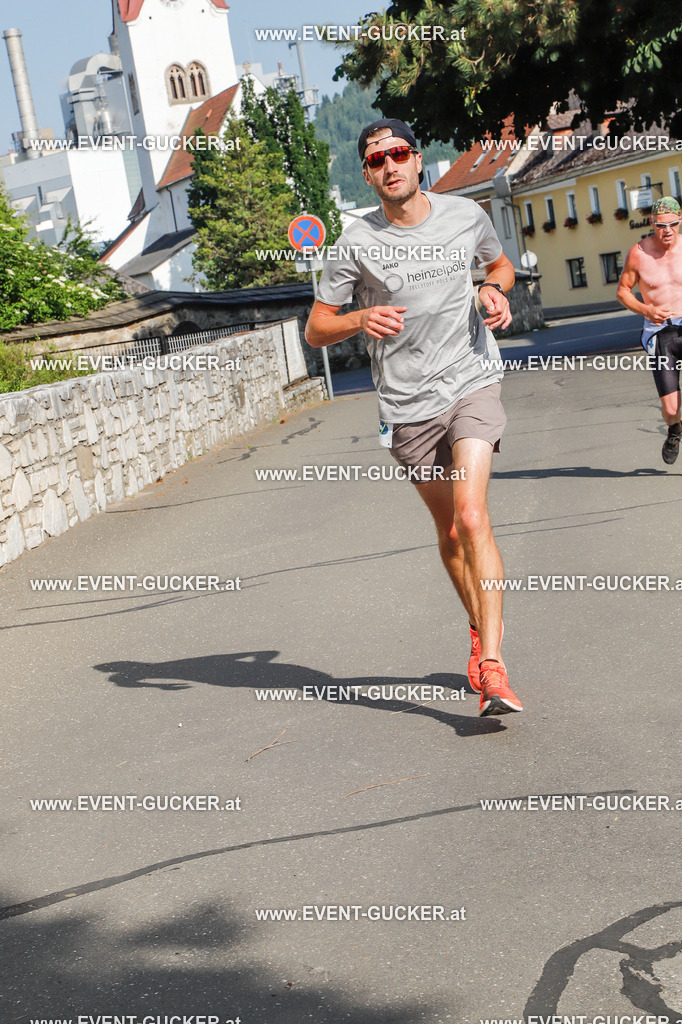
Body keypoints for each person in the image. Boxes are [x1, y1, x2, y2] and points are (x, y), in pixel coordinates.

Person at [305, 118, 522, 716]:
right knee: (451, 530)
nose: (390, 165)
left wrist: (496, 291)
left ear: (419, 159)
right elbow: (316, 327)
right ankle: (479, 630)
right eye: (377, 160)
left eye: (399, 153)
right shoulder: (354, 243)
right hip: (406, 404)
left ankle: (494, 665)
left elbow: (498, 265)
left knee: (474, 514)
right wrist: (356, 320)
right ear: (368, 173)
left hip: (472, 380)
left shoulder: (464, 216)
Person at [617, 196, 682, 464]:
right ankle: (675, 430)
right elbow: (623, 291)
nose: (667, 231)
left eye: (673, 225)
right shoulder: (639, 253)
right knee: (671, 409)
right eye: (661, 226)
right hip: (660, 332)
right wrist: (647, 310)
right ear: (652, 223)